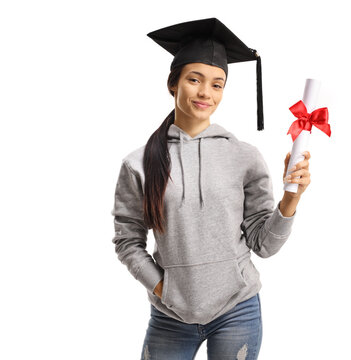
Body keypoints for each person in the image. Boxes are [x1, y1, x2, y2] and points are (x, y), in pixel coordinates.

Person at [111, 18, 311, 360]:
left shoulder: (244, 156)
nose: (206, 93)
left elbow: (263, 244)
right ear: (173, 84)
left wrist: (290, 199)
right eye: (194, 80)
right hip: (170, 316)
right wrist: (163, 287)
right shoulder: (139, 163)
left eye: (217, 84)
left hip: (238, 310)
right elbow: (128, 241)